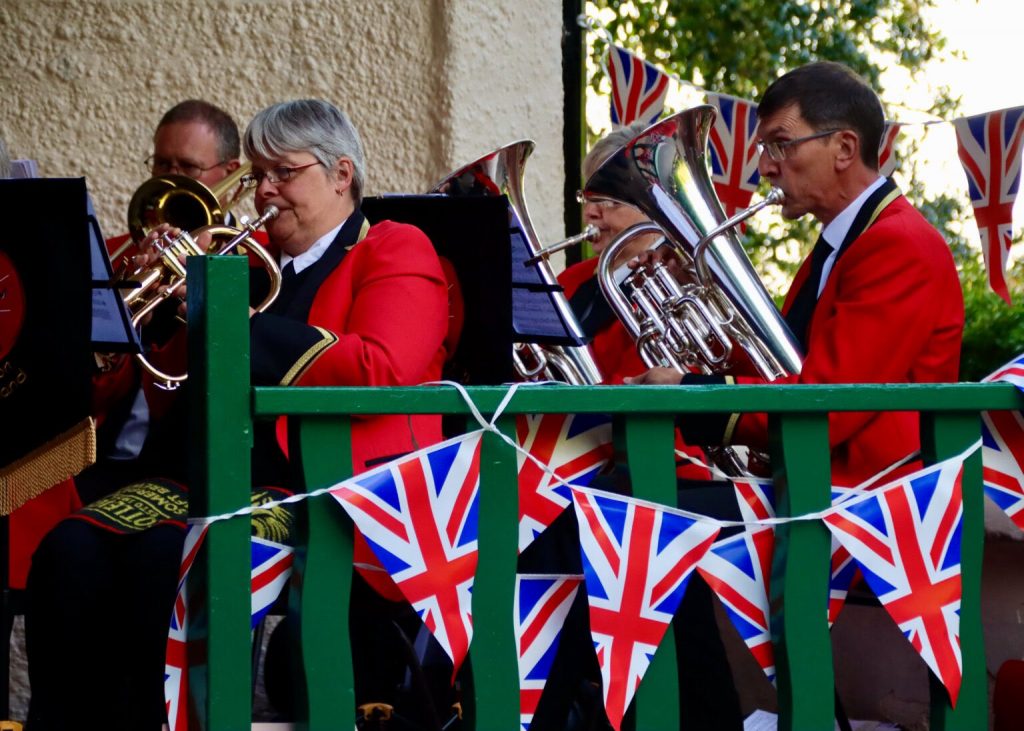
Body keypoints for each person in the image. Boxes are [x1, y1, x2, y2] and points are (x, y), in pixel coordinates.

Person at [25, 98, 452, 730]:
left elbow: (380, 365)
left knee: (159, 561)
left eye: (284, 173)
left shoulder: (392, 247)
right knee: (67, 547)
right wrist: (168, 302)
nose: (266, 193)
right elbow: (168, 380)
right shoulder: (249, 265)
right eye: (259, 176)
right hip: (205, 472)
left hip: (321, 488)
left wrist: (234, 318)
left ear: (341, 175)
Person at [627, 61, 964, 489]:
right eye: (764, 149)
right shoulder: (843, 244)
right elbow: (788, 372)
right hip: (819, 488)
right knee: (616, 496)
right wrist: (695, 294)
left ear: (844, 148)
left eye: (781, 145)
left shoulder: (898, 244)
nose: (766, 167)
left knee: (603, 519)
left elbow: (827, 403)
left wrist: (691, 392)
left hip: (869, 508)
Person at [83, 100, 248, 506]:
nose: (172, 182)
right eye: (162, 166)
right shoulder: (115, 256)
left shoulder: (251, 262)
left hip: (193, 468)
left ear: (229, 174)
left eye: (188, 168)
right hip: (102, 456)